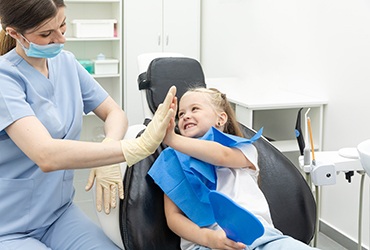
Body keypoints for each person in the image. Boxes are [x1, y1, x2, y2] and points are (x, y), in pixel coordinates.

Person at [0, 0, 176, 249]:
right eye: (46, 34)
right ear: (15, 34)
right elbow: (46, 155)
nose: (60, 40)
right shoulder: (5, 78)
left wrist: (111, 143)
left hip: (59, 215)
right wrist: (133, 148)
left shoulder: (66, 63)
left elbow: (114, 112)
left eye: (62, 27)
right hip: (9, 227)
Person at [149, 87, 320, 250]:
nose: (186, 116)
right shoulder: (172, 162)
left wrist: (172, 140)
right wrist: (209, 238)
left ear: (221, 119)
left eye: (194, 109)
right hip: (206, 243)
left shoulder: (243, 149)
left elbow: (221, 156)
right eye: (181, 114)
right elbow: (173, 217)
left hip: (261, 238)